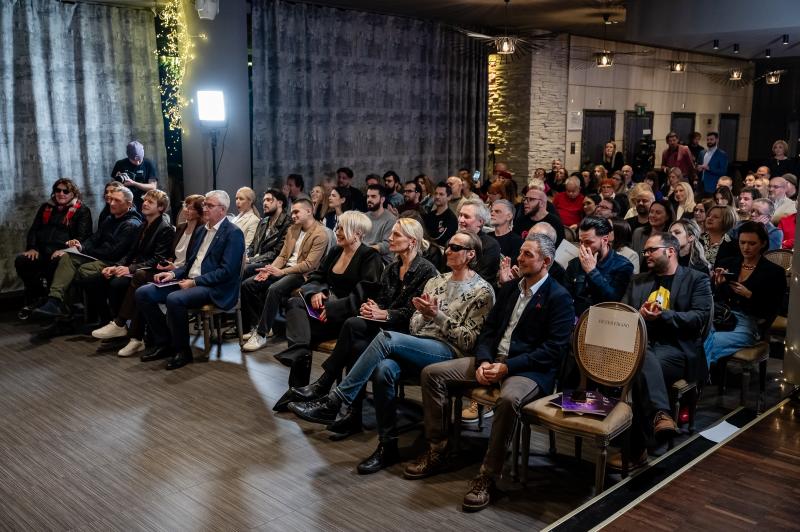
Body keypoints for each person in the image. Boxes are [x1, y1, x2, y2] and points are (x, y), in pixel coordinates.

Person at [288, 230, 495, 475]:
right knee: (383, 369)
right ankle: (388, 446)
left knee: (385, 337)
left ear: (471, 255)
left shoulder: (482, 291)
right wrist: (424, 316)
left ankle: (335, 400)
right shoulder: (437, 281)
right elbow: (414, 324)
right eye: (448, 246)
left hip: (449, 353)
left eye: (456, 248)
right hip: (419, 343)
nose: (448, 250)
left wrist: (436, 316)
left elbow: (469, 341)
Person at [403, 233, 573, 511]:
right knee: (432, 374)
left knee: (508, 400)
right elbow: (489, 331)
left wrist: (507, 367)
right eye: (520, 252)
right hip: (493, 360)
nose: (520, 258)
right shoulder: (510, 289)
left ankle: (488, 476)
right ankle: (438, 450)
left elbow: (553, 350)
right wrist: (483, 361)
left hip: (527, 369)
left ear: (546, 261)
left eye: (528, 254)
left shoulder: (559, 297)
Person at [282, 219, 439, 435]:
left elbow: (418, 313)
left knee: (354, 328)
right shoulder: (392, 268)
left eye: (396, 235)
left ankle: (326, 388)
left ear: (412, 241)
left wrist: (385, 313)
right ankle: (350, 414)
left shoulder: (426, 270)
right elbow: (382, 299)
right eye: (391, 233)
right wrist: (373, 307)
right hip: (385, 325)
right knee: (354, 335)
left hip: (406, 332)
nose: (389, 238)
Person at [273, 211, 383, 404]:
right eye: (337, 227)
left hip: (347, 319)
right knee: (294, 303)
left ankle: (297, 389)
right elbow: (315, 277)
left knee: (302, 335)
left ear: (357, 233)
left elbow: (363, 296)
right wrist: (316, 291)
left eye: (342, 228)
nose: (337, 232)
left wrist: (333, 309)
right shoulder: (335, 251)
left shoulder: (369, 256)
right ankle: (298, 374)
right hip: (324, 313)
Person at [621, 232, 712, 466]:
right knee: (639, 360)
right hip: (641, 343)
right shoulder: (638, 280)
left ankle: (636, 446)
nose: (646, 255)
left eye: (652, 250)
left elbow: (698, 318)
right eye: (645, 251)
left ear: (670, 251)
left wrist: (664, 315)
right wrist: (639, 314)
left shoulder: (696, 279)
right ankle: (660, 415)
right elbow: (623, 313)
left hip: (677, 348)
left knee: (639, 365)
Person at [135, 190, 245, 370]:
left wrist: (195, 282)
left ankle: (182, 351)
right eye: (205, 204)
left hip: (215, 287)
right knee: (143, 293)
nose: (205, 208)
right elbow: (189, 263)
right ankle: (164, 342)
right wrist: (173, 274)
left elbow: (226, 271)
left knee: (174, 298)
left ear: (223, 210)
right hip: (190, 280)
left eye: (210, 206)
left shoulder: (233, 233)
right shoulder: (201, 230)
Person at [108, 194, 204, 357]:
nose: (185, 210)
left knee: (139, 278)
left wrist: (174, 267)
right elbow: (172, 255)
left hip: (185, 275)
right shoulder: (180, 227)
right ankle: (136, 334)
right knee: (137, 287)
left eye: (190, 207)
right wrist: (168, 263)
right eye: (185, 205)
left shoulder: (201, 230)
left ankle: (127, 328)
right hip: (171, 271)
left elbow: (194, 261)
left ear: (199, 212)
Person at [32, 187, 142, 319]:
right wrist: (81, 247)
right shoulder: (110, 218)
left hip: (113, 262)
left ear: (128, 204)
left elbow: (113, 252)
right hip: (100, 256)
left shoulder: (131, 224)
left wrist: (87, 251)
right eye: (111, 199)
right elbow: (94, 238)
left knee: (80, 271)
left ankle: (70, 312)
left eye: (117, 200)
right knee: (67, 257)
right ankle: (54, 301)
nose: (111, 203)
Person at [89, 190, 175, 344]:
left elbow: (158, 259)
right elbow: (131, 252)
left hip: (151, 271)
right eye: (145, 200)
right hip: (137, 267)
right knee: (100, 279)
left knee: (117, 284)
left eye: (150, 202)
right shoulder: (143, 224)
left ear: (161, 208)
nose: (145, 203)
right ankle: (114, 325)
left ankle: (121, 326)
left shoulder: (165, 228)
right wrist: (117, 266)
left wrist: (130, 269)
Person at [240, 199, 328, 349]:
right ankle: (259, 325)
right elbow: (282, 256)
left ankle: (261, 335)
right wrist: (269, 270)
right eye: (292, 212)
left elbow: (309, 265)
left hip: (303, 275)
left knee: (274, 288)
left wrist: (281, 272)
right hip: (284, 269)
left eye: (296, 212)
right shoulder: (293, 229)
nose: (292, 215)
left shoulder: (320, 234)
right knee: (248, 284)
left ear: (309, 211)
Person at [704, 221, 786, 366]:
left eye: (752, 243)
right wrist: (717, 284)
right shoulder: (728, 263)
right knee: (695, 337)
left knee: (710, 342)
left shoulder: (774, 272)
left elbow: (773, 309)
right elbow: (712, 296)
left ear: (763, 243)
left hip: (749, 322)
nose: (746, 247)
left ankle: (695, 377)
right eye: (742, 242)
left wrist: (750, 295)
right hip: (720, 316)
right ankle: (699, 375)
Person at [16, 178, 92, 318]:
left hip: (62, 252)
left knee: (57, 262)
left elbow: (83, 237)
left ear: (73, 194)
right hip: (41, 251)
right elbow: (34, 230)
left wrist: (65, 251)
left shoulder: (82, 210)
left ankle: (55, 304)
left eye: (65, 191)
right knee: (22, 261)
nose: (61, 194)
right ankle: (39, 297)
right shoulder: (46, 207)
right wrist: (32, 247)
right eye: (58, 190)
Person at [564, 216, 634, 317]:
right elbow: (565, 296)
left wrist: (592, 271)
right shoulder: (575, 263)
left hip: (604, 320)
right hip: (576, 318)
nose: (583, 247)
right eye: (581, 242)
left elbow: (613, 301)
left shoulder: (623, 265)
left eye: (588, 242)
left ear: (605, 240)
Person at [245, 189, 291, 278]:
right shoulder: (264, 221)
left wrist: (250, 260)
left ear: (280, 203)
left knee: (245, 268)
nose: (265, 203)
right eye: (264, 200)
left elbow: (276, 252)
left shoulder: (287, 223)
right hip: (257, 259)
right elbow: (253, 245)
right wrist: (245, 255)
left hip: (272, 262)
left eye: (269, 200)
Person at [458, 199, 502, 284]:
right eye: (460, 215)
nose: (460, 220)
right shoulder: (452, 241)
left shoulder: (490, 246)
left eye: (466, 216)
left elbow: (482, 279)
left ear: (480, 222)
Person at [110, 140, 158, 210]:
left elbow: (153, 187)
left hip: (143, 202)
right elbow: (112, 187)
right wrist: (119, 182)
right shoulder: (120, 164)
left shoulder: (148, 164)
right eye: (134, 160)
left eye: (140, 160)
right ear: (128, 156)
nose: (137, 162)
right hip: (125, 203)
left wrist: (133, 183)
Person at [364, 184, 397, 264]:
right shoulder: (364, 217)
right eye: (368, 196)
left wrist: (365, 250)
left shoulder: (391, 219)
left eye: (373, 196)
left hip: (382, 259)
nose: (369, 199)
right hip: (364, 255)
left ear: (382, 199)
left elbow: (387, 245)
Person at [423, 181, 458, 246]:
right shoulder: (429, 215)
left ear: (449, 197)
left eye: (441, 194)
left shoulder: (451, 218)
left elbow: (441, 239)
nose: (437, 197)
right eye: (436, 193)